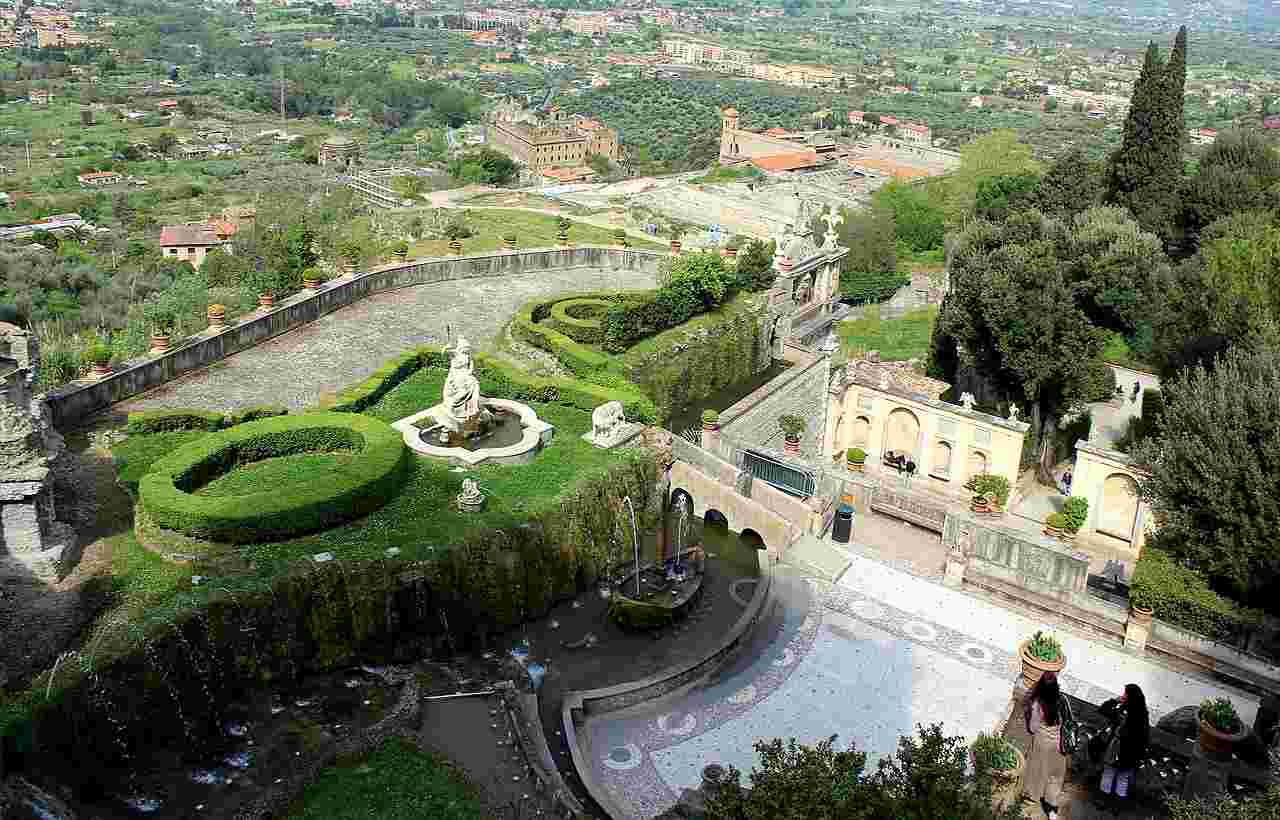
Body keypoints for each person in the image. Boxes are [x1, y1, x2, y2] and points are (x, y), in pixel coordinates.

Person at [1023, 671, 1069, 820]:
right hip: (1058, 744)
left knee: (1037, 772)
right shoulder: (1062, 700)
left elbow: (1032, 728)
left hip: (1042, 743)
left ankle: (1032, 798)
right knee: (1055, 776)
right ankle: (1052, 809)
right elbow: (1068, 720)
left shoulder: (1038, 704)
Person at [1096, 684, 1150, 809]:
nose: (1123, 695)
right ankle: (1117, 806)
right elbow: (1145, 737)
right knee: (1123, 778)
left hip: (1117, 749)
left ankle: (1103, 801)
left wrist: (1115, 700)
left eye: (1125, 694)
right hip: (1131, 753)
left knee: (1109, 773)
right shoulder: (1143, 714)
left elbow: (1103, 709)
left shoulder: (1123, 713)